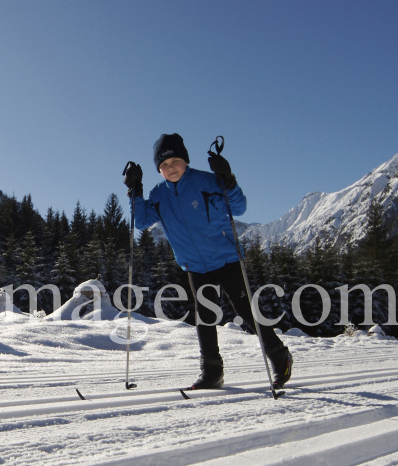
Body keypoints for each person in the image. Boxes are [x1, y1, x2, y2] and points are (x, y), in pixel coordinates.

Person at [123, 133, 292, 390]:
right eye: (164, 165)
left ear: (186, 161)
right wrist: (135, 192)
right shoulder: (159, 194)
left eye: (175, 161)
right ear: (159, 169)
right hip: (194, 265)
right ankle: (212, 373)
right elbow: (142, 220)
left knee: (245, 310)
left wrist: (228, 179)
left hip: (226, 258)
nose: (171, 169)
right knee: (205, 316)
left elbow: (238, 207)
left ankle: (280, 357)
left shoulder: (205, 181)